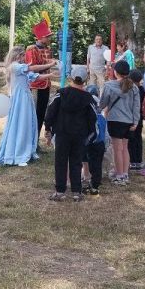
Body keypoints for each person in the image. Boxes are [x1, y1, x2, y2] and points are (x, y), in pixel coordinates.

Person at [44, 68, 97, 201]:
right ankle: (76, 192)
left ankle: (60, 191)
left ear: (71, 78)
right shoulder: (88, 98)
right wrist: (91, 134)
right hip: (79, 134)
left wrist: (48, 128)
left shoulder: (61, 94)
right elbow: (93, 117)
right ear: (85, 80)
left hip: (62, 132)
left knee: (60, 162)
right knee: (76, 162)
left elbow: (51, 111)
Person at [0, 45, 55, 167]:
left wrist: (50, 75)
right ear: (18, 55)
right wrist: (49, 65)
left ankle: (26, 150)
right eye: (23, 55)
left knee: (28, 123)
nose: (25, 58)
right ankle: (18, 154)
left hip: (25, 98)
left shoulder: (21, 68)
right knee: (21, 123)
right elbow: (32, 68)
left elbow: (35, 76)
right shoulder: (14, 66)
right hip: (20, 99)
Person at [98, 60, 140, 186]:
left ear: (115, 72)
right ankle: (124, 173)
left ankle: (119, 175)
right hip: (129, 121)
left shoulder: (109, 86)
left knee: (117, 149)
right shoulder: (134, 87)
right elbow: (136, 106)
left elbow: (102, 103)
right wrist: (136, 121)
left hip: (115, 120)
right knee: (125, 148)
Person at [24, 23, 54, 143]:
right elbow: (31, 68)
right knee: (33, 115)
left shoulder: (48, 49)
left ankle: (35, 142)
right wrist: (49, 65)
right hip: (35, 86)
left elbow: (47, 64)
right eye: (47, 36)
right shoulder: (31, 50)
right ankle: (30, 142)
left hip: (46, 85)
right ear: (41, 37)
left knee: (41, 114)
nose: (49, 38)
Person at [82, 85, 108, 196]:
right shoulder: (101, 116)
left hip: (91, 142)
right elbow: (106, 133)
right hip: (100, 143)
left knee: (90, 163)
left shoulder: (87, 115)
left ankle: (92, 184)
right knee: (97, 165)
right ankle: (95, 183)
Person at [127, 68, 145, 170]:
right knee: (138, 138)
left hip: (131, 117)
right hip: (139, 117)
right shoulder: (142, 90)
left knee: (131, 140)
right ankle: (138, 161)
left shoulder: (132, 90)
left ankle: (132, 161)